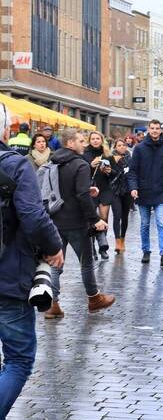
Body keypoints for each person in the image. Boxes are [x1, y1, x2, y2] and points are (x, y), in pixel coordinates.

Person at [0, 104, 64, 420]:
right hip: (9, 277)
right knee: (19, 360)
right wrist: (54, 248)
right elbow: (33, 215)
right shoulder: (14, 164)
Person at [45, 129, 116, 319]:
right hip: (76, 222)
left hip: (55, 220)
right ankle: (94, 298)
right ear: (70, 143)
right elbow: (82, 195)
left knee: (55, 264)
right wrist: (95, 220)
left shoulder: (53, 162)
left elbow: (62, 190)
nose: (84, 144)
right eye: (81, 140)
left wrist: (87, 189)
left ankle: (53, 305)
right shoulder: (80, 164)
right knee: (86, 263)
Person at [128, 119, 163, 266]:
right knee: (144, 224)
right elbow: (132, 172)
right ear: (148, 130)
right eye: (152, 128)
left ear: (160, 130)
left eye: (157, 128)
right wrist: (133, 188)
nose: (155, 131)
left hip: (161, 191)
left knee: (161, 222)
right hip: (143, 191)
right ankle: (146, 250)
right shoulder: (139, 148)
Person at [83, 131, 114, 259]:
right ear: (89, 140)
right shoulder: (85, 154)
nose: (95, 141)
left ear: (102, 140)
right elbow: (81, 172)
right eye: (93, 139)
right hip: (91, 189)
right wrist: (90, 166)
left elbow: (114, 173)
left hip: (105, 189)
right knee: (91, 219)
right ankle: (91, 249)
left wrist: (109, 171)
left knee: (104, 218)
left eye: (98, 138)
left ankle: (102, 246)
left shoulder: (107, 154)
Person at [108, 139, 132, 254]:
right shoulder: (110, 158)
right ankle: (117, 241)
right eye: (119, 145)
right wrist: (114, 163)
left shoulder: (129, 157)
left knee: (125, 216)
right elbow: (108, 173)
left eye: (124, 145)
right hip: (115, 191)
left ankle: (123, 239)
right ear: (115, 147)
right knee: (117, 215)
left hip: (127, 190)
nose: (122, 147)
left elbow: (132, 173)